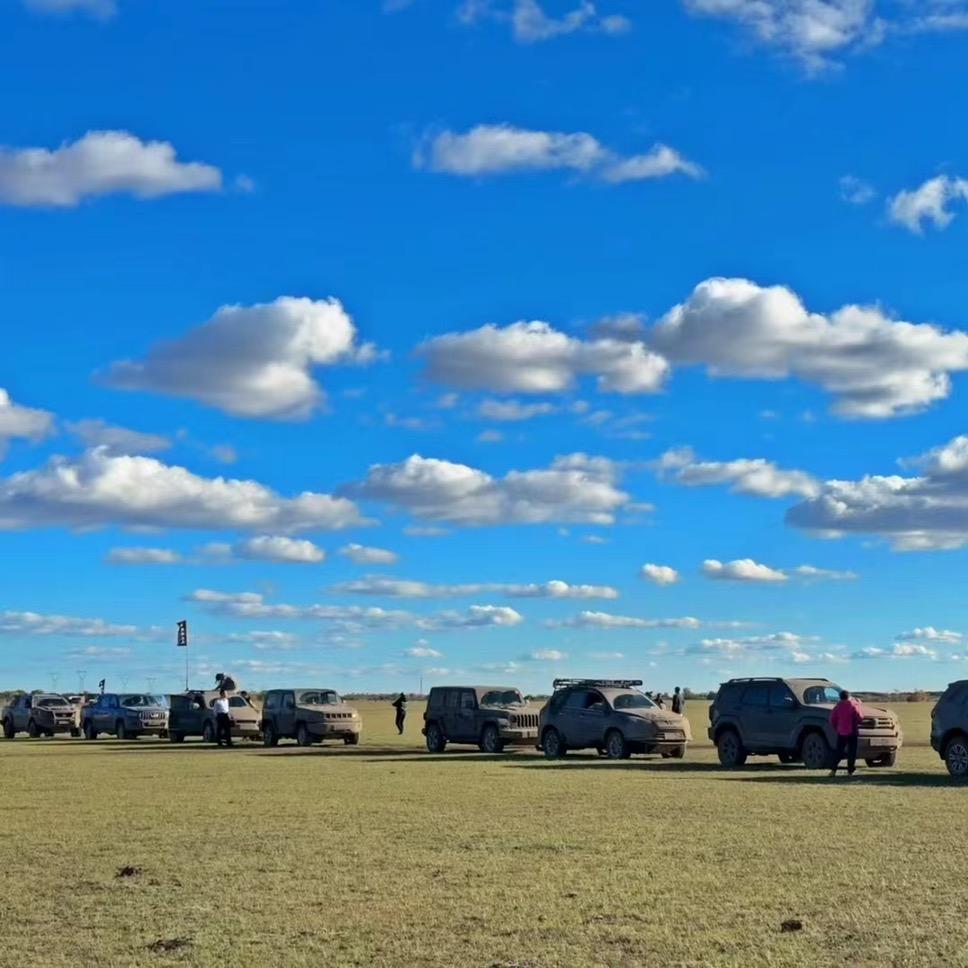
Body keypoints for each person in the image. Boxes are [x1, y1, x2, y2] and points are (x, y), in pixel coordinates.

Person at [829, 689, 863, 777]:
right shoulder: (854, 705)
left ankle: (833, 770)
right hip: (853, 731)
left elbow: (832, 719)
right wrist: (859, 704)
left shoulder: (837, 706)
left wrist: (836, 728)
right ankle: (850, 771)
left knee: (839, 751)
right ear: (849, 697)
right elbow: (860, 718)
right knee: (852, 752)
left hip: (841, 731)